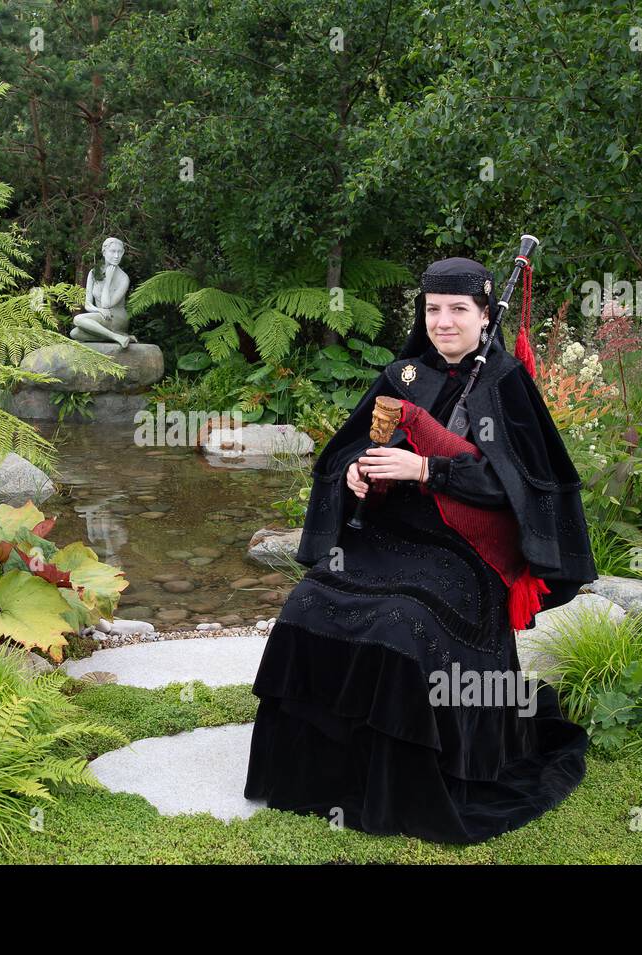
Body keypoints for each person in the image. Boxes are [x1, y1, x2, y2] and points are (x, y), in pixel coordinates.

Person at [243, 255, 598, 844]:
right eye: (433, 309)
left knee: (402, 624)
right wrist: (355, 475)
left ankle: (394, 786)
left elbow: (522, 488)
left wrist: (431, 469)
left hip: (467, 555)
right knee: (306, 604)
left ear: (485, 317)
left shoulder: (507, 384)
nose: (443, 321)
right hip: (390, 537)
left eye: (458, 310)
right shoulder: (405, 375)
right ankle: (313, 777)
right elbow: (344, 452)